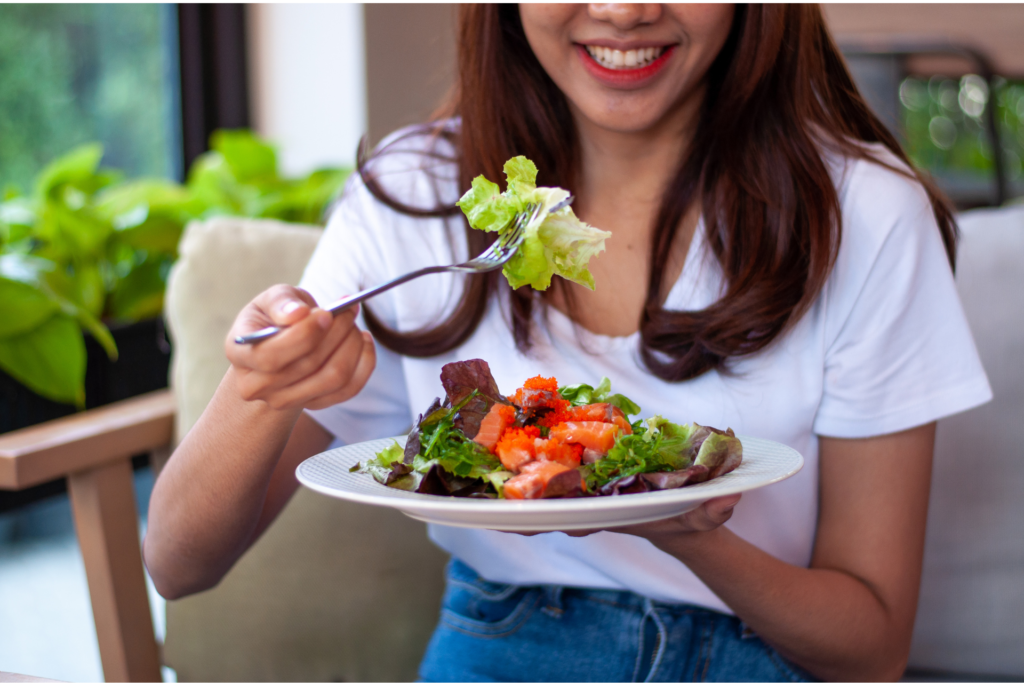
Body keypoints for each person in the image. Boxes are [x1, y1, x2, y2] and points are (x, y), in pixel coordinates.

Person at [144, 5, 992, 681]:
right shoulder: (413, 199)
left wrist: (685, 530)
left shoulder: (865, 214)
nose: (625, 11)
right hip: (502, 647)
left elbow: (870, 650)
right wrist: (261, 383)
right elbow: (176, 562)